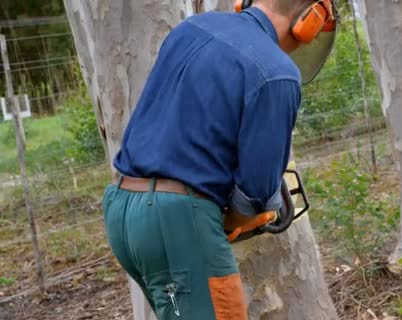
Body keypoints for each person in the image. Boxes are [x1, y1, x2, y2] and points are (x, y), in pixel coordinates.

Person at [101, 0, 337, 319]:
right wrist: (232, 223)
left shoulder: (192, 28)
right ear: (311, 19)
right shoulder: (277, 73)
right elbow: (255, 196)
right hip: (178, 221)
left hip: (122, 209)